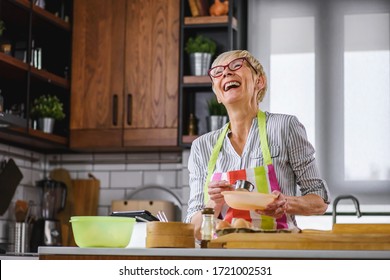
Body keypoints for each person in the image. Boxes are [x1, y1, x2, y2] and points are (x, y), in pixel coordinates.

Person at [185, 50, 330, 240]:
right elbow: (193, 226)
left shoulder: (284, 127)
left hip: (278, 252)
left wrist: (285, 203)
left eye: (236, 65)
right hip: (223, 256)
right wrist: (213, 203)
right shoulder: (202, 146)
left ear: (259, 82)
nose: (226, 73)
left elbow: (319, 201)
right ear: (218, 95)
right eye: (218, 72)